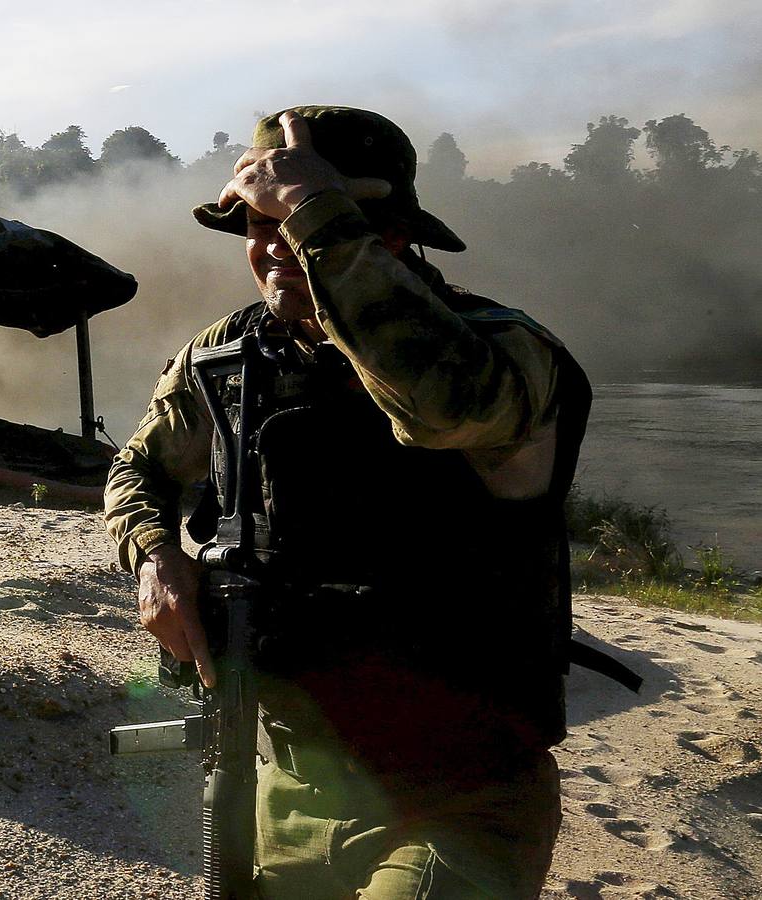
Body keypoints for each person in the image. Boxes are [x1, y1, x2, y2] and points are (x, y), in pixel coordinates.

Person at [104, 106, 594, 898]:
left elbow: (438, 406)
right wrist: (155, 560)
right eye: (259, 226)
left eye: (297, 221)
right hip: (287, 784)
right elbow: (138, 467)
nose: (275, 246)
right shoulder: (227, 359)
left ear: (392, 235)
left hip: (455, 797)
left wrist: (316, 216)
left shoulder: (502, 352)